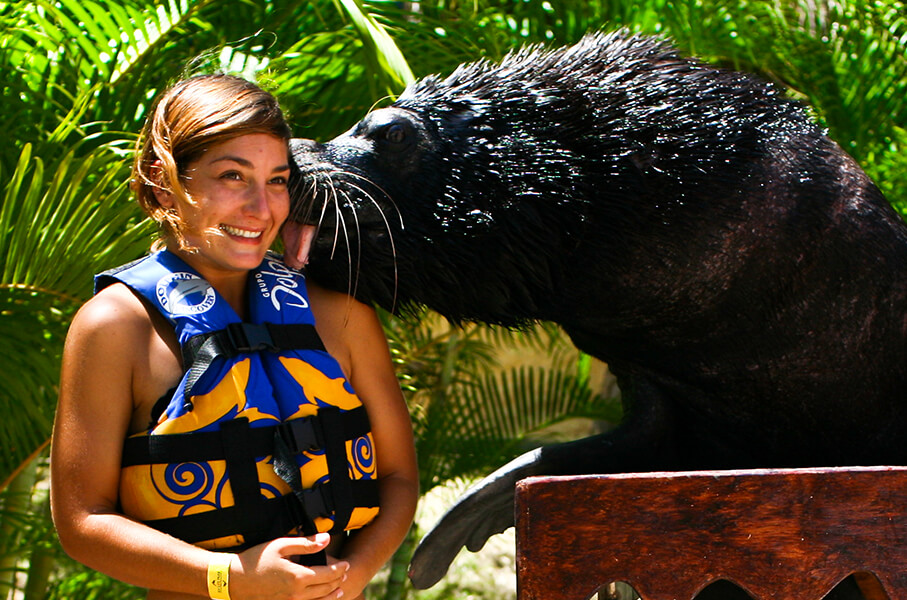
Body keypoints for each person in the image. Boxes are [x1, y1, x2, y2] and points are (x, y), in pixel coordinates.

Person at [50, 73, 419, 600]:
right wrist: (231, 579)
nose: (261, 209)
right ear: (163, 182)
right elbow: (83, 522)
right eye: (232, 176)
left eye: (277, 180)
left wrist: (352, 575)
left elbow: (400, 477)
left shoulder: (340, 313)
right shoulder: (115, 326)